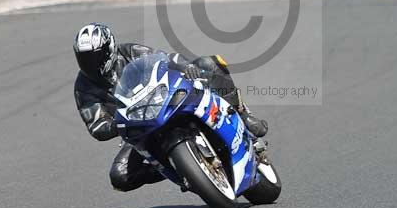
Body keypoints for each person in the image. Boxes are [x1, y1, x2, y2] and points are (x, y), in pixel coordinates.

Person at [72, 23, 268, 192]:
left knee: (208, 63)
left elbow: (164, 58)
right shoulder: (83, 87)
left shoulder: (128, 51)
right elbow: (96, 125)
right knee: (120, 176)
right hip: (136, 126)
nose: (90, 64)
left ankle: (242, 114)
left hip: (163, 100)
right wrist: (116, 123)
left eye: (95, 57)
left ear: (109, 48)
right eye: (84, 58)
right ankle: (181, 169)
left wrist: (185, 67)